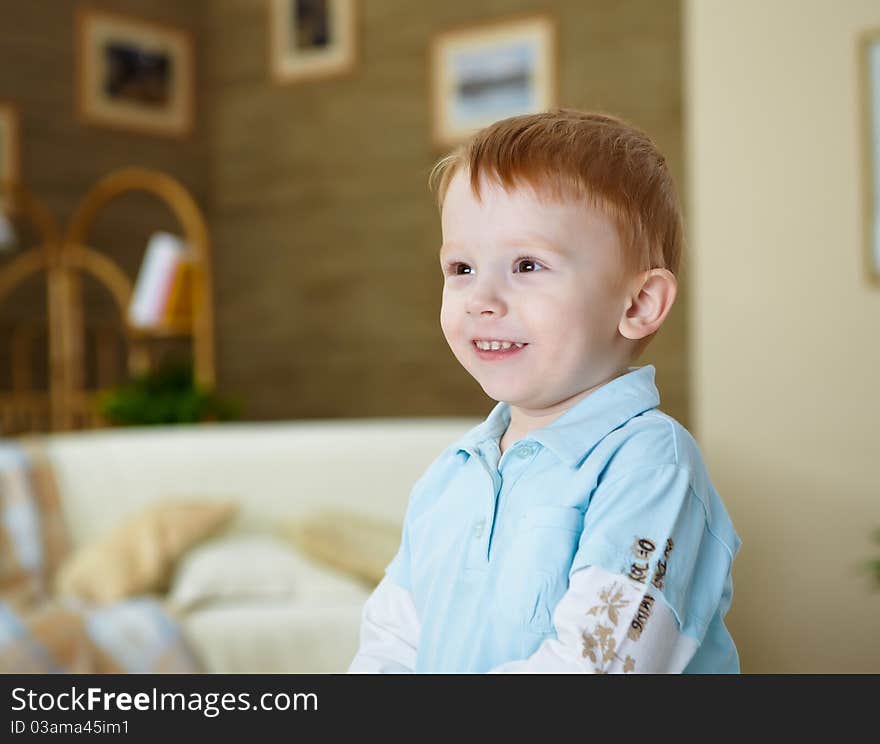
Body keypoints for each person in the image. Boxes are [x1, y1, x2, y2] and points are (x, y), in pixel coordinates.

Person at [348, 108, 742, 674]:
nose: (481, 297)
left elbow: (598, 664)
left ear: (638, 304)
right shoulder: (451, 477)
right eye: (460, 267)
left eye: (527, 264)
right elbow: (389, 643)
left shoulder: (651, 466)